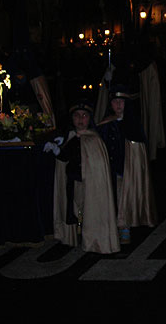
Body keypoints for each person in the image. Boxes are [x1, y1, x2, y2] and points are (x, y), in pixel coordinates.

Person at [48, 100, 120, 254]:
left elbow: (98, 166)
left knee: (92, 209)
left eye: (84, 116)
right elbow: (65, 157)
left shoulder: (95, 139)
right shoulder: (69, 137)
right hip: (73, 182)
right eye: (76, 116)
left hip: (90, 184)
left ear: (90, 118)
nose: (80, 119)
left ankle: (95, 240)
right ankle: (73, 236)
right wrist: (57, 149)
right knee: (73, 210)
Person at [97, 85, 157, 245]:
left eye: (121, 102)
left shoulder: (134, 124)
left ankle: (124, 226)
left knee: (126, 196)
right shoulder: (106, 123)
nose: (117, 105)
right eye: (114, 102)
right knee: (113, 196)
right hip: (112, 167)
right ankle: (113, 226)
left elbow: (138, 146)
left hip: (128, 169)